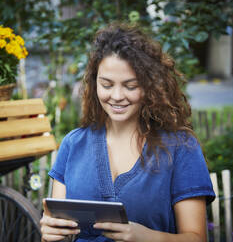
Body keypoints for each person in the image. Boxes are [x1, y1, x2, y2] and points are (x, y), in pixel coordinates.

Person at [40, 23, 215, 242]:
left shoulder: (180, 147)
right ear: (95, 83)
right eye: (106, 84)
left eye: (130, 86)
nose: (117, 96)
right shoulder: (73, 144)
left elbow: (197, 238)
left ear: (150, 86)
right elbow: (59, 232)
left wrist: (146, 237)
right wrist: (49, 235)